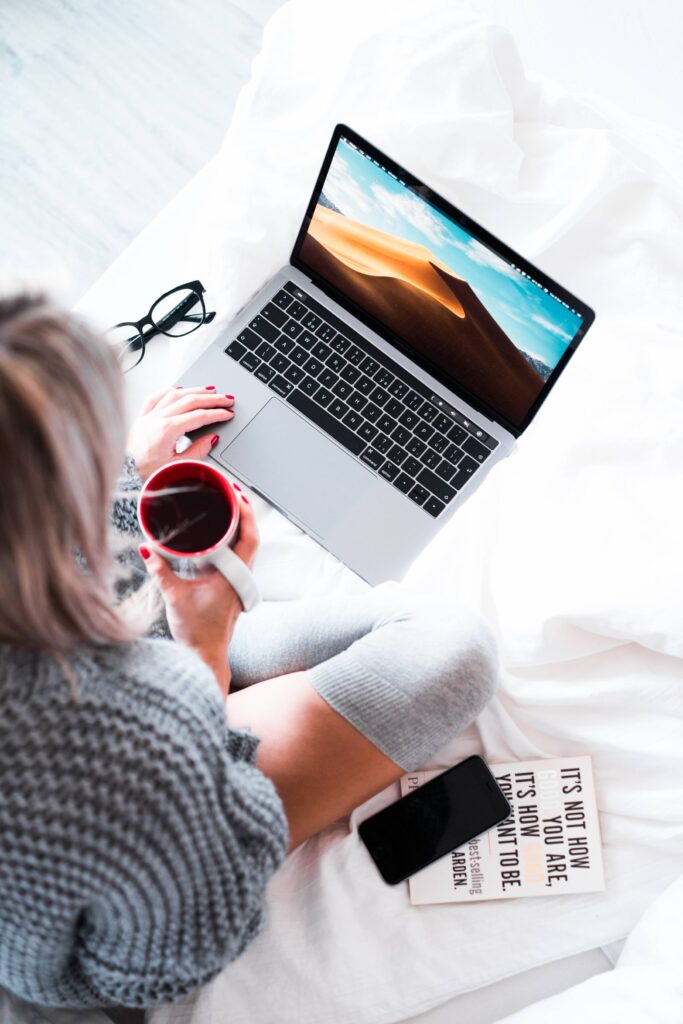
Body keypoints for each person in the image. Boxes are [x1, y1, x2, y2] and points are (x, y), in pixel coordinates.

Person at [0, 293, 497, 1012]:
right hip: (69, 958)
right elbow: (169, 958)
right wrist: (202, 658)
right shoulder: (122, 742)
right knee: (451, 647)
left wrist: (129, 480)